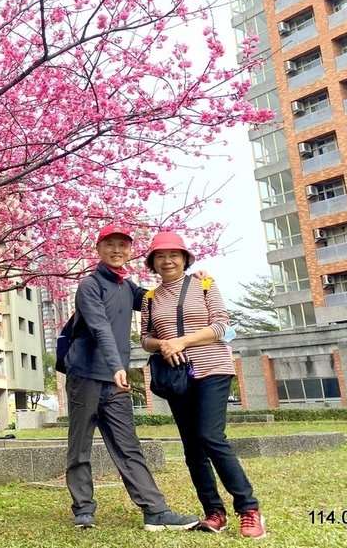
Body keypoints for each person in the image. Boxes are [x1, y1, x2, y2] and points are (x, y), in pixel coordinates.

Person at [64, 225, 199, 531]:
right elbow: (100, 328)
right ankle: (83, 509)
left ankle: (155, 510)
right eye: (110, 245)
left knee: (129, 446)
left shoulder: (128, 287)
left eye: (122, 246)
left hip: (116, 380)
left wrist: (193, 283)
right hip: (86, 376)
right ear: (99, 249)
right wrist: (116, 365)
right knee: (80, 445)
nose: (116, 250)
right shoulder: (90, 285)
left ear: (129, 252)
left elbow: (157, 297)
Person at [141, 231, 266, 539]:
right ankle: (214, 512)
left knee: (211, 436)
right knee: (192, 447)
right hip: (177, 375)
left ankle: (249, 509)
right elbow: (145, 339)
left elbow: (221, 325)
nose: (167, 260)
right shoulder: (149, 297)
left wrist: (181, 340)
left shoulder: (205, 283)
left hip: (213, 368)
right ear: (153, 262)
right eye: (160, 255)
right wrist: (163, 345)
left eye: (174, 254)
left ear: (185, 258)